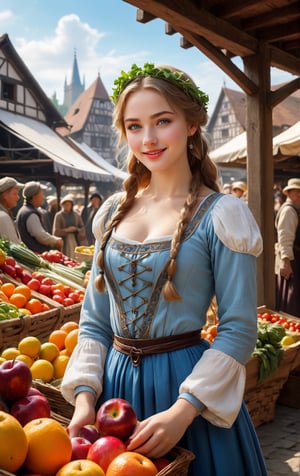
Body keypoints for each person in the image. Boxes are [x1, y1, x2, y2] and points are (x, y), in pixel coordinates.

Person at [61, 63, 267, 475]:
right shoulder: (112, 215)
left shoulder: (223, 215)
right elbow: (95, 321)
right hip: (114, 398)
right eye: (134, 126)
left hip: (188, 394)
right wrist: (86, 397)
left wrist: (184, 411)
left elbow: (240, 328)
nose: (148, 139)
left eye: (163, 121)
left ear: (192, 124)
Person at [275, 178, 300, 317]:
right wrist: (286, 261)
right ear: (289, 193)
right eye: (297, 192)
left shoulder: (295, 209)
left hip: (294, 259)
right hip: (291, 260)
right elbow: (284, 238)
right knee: (291, 298)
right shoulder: (289, 211)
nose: (299, 195)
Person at [16, 181, 63, 253]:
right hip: (35, 255)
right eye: (41, 194)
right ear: (34, 196)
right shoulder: (30, 213)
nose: (43, 197)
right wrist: (56, 241)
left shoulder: (24, 210)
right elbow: (41, 236)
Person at [52, 194, 87, 259]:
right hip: (64, 242)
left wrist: (76, 229)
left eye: (69, 204)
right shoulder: (59, 215)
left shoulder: (76, 215)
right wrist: (66, 230)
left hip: (75, 240)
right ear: (62, 205)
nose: (67, 206)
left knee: (75, 256)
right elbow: (55, 231)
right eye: (65, 204)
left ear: (71, 205)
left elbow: (82, 227)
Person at [0, 176, 23, 243]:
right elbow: (13, 244)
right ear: (5, 196)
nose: (18, 197)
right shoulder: (3, 216)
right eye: (15, 194)